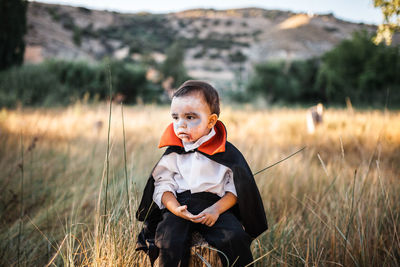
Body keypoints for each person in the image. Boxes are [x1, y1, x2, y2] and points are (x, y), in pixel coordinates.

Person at [136, 80, 268, 266]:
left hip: (216, 206)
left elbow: (236, 189)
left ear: (211, 121)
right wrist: (174, 207)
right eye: (175, 118)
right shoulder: (174, 153)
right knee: (167, 239)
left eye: (190, 117)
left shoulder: (225, 152)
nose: (181, 125)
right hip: (180, 206)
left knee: (234, 237)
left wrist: (216, 209)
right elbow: (163, 184)